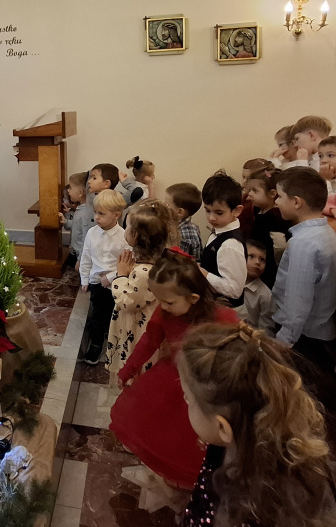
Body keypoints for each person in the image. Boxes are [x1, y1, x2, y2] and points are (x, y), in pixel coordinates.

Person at [174, 322, 336, 527]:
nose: (184, 400)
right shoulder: (244, 440)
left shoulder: (252, 511)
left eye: (189, 398)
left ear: (223, 427)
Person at [110, 250, 238, 490]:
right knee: (165, 432)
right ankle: (169, 474)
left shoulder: (223, 318)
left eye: (169, 302)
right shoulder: (165, 313)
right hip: (172, 378)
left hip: (205, 390)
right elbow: (149, 341)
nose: (163, 307)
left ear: (193, 298)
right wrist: (129, 369)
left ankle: (192, 478)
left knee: (193, 439)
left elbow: (236, 356)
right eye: (160, 300)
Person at [271, 167, 336, 406]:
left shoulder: (304, 243)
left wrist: (283, 341)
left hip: (304, 338)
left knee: (300, 398)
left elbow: (298, 300)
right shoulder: (322, 232)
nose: (276, 202)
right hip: (313, 332)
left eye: (280, 196)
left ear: (297, 202)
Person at [107, 199, 178, 377]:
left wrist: (121, 275)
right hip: (146, 322)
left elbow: (128, 302)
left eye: (127, 225)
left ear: (136, 236)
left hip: (137, 328)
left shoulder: (143, 272)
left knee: (137, 369)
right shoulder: (159, 260)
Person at [79, 189, 129, 365]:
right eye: (95, 212)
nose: (96, 217)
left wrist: (112, 276)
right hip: (97, 283)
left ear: (116, 215)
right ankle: (96, 342)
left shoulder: (124, 237)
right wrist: (84, 279)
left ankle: (113, 338)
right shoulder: (92, 233)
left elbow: (127, 262)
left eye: (101, 213)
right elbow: (86, 257)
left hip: (117, 282)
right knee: (98, 314)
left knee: (115, 313)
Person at [196, 172, 247, 306]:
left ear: (236, 211)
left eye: (219, 213)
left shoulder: (230, 244)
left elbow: (234, 290)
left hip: (225, 310)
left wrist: (204, 274)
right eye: (207, 210)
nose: (211, 217)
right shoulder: (219, 231)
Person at [243, 166, 291, 288]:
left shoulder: (274, 217)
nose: (249, 194)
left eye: (255, 191)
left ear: (272, 193)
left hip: (268, 270)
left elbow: (280, 246)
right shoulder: (259, 210)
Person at [239, 240, 274, 332]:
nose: (257, 262)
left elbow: (266, 329)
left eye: (262, 260)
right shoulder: (230, 283)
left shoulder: (265, 295)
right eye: (251, 256)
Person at [164, 182, 203, 260]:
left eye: (167, 204)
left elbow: (178, 261)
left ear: (180, 212)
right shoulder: (175, 224)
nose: (164, 206)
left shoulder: (184, 234)